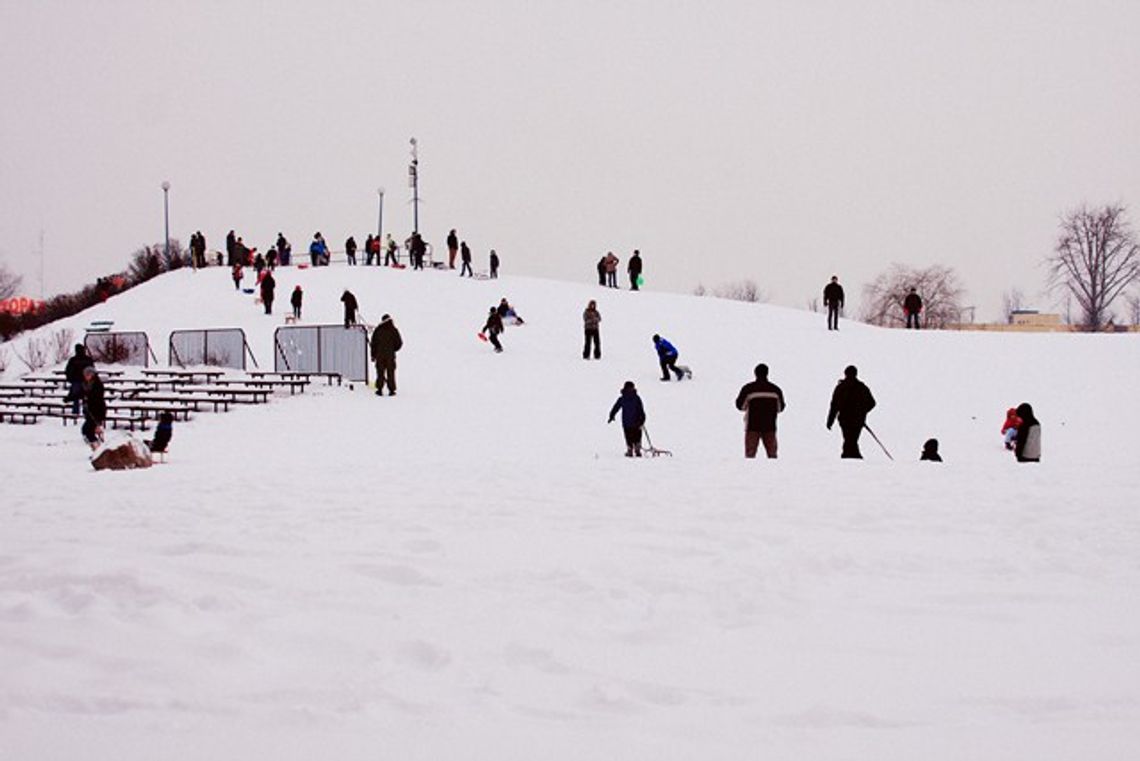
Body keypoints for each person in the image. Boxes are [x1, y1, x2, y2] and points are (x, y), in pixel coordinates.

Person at [734, 363, 786, 458]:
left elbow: (740, 406)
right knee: (772, 455)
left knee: (750, 455)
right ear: (767, 373)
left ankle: (749, 472)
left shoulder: (748, 389)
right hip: (770, 426)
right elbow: (781, 408)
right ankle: (774, 472)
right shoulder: (775, 390)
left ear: (755, 373)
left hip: (752, 426)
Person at [826, 365, 877, 459]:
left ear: (845, 374)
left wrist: (830, 421)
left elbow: (834, 406)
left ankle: (849, 458)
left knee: (849, 439)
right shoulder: (862, 387)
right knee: (851, 439)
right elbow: (872, 403)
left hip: (845, 420)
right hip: (858, 420)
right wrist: (862, 412)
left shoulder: (840, 388)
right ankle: (852, 457)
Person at [608, 381, 647, 457]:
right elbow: (641, 410)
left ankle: (630, 449)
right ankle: (637, 448)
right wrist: (642, 420)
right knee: (637, 436)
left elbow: (615, 408)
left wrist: (611, 416)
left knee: (628, 436)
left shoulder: (622, 398)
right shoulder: (636, 398)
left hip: (627, 423)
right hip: (636, 422)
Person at [370, 314, 403, 396]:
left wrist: (373, 355)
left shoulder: (378, 330)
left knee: (380, 372)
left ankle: (379, 389)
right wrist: (393, 350)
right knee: (391, 372)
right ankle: (391, 390)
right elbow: (399, 343)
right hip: (390, 356)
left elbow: (373, 344)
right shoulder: (394, 330)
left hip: (379, 356)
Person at [63, 344, 94, 414]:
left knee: (75, 396)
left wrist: (70, 379)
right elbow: (92, 370)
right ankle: (86, 411)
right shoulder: (88, 359)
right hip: (86, 381)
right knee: (86, 396)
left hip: (76, 381)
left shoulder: (73, 360)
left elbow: (68, 370)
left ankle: (75, 411)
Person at [81, 366, 106, 449]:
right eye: (85, 375)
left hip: (96, 411)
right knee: (86, 431)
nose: (86, 376)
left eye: (88, 375)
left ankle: (99, 449)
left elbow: (97, 399)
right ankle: (97, 448)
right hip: (89, 411)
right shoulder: (85, 384)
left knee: (88, 431)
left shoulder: (97, 385)